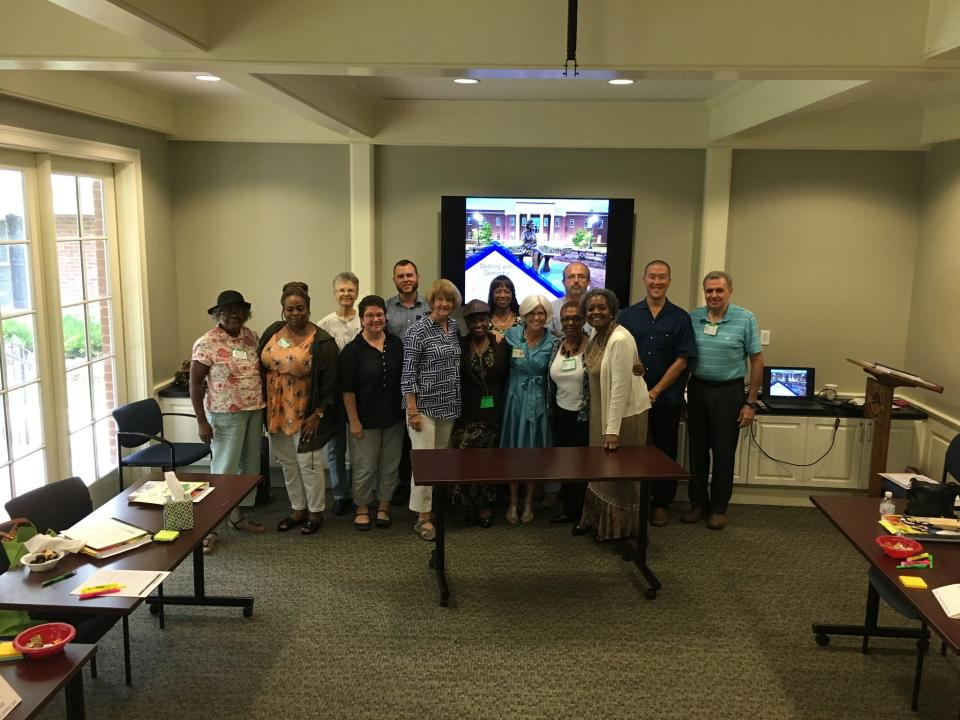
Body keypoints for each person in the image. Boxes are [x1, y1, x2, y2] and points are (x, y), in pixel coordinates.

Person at [618, 260, 697, 527]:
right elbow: (618, 355)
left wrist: (655, 391)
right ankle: (633, 501)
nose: (657, 282)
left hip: (666, 399)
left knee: (664, 452)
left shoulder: (680, 318)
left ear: (669, 281)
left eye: (662, 277)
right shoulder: (627, 316)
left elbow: (683, 359)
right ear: (644, 279)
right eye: (652, 276)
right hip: (631, 399)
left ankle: (661, 504)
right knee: (633, 451)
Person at [258, 282, 340, 535]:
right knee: (288, 464)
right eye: (290, 309)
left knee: (309, 463)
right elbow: (259, 365)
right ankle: (297, 509)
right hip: (276, 411)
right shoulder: (273, 331)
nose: (295, 313)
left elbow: (331, 382)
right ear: (283, 309)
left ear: (309, 308)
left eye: (300, 308)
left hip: (307, 412)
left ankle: (315, 513)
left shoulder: (322, 341)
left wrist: (319, 413)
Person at [684, 271, 763, 531]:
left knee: (723, 452)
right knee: (696, 452)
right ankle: (698, 504)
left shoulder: (745, 318)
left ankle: (718, 508)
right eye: (709, 290)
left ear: (730, 291)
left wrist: (750, 403)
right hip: (697, 390)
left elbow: (756, 361)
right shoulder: (693, 317)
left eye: (719, 290)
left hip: (729, 393)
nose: (714, 295)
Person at [189, 290, 266, 552]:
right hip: (225, 415)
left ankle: (237, 517)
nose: (234, 314)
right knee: (224, 471)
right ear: (218, 315)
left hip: (254, 410)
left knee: (248, 469)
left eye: (239, 310)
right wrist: (202, 421)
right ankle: (208, 529)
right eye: (227, 310)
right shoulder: (206, 342)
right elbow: (195, 384)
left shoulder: (251, 337)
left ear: (246, 313)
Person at [574, 288, 651, 540]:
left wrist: (612, 431)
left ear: (612, 310)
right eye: (591, 308)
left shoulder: (619, 338)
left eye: (601, 307)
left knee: (620, 476)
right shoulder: (597, 334)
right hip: (601, 411)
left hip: (622, 417)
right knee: (602, 472)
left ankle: (624, 532)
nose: (596, 312)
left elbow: (619, 388)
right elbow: (632, 366)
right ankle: (600, 523)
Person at [402, 279, 463, 541]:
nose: (444, 304)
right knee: (424, 465)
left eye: (449, 300)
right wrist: (412, 409)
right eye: (440, 299)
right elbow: (407, 373)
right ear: (431, 301)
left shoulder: (454, 327)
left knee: (440, 463)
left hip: (448, 406)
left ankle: (434, 507)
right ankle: (422, 517)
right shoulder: (417, 330)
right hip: (423, 408)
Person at [340, 295, 405, 532]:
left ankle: (384, 506)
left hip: (394, 418)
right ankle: (362, 507)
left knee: (390, 465)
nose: (375, 320)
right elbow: (347, 390)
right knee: (364, 466)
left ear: (385, 317)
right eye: (370, 316)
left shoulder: (397, 344)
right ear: (361, 319)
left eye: (379, 315)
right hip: (364, 421)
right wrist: (354, 421)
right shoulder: (352, 351)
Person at [448, 299, 510, 528]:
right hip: (465, 411)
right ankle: (468, 505)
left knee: (486, 461)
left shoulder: (501, 343)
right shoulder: (460, 345)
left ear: (489, 320)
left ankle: (484, 506)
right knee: (465, 457)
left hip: (492, 412)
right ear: (467, 322)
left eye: (482, 319)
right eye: (473, 320)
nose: (478, 324)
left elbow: (506, 375)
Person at [500, 294, 553, 524]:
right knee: (513, 448)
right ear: (524, 314)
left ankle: (529, 502)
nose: (536, 317)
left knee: (533, 450)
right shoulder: (511, 334)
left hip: (538, 400)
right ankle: (513, 501)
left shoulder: (554, 341)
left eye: (541, 313)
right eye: (532, 312)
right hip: (514, 398)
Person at [317, 271, 361, 516]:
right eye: (341, 290)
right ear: (335, 294)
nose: (346, 294)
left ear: (357, 292)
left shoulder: (363, 321)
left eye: (350, 290)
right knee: (335, 449)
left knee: (358, 448)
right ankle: (340, 494)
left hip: (358, 395)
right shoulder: (325, 324)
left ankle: (358, 494)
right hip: (333, 396)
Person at [386, 259, 428, 507]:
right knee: (399, 436)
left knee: (420, 433)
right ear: (394, 280)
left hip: (424, 383)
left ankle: (421, 482)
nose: (405, 279)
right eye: (400, 276)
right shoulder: (386, 307)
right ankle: (402, 484)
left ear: (417, 277)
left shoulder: (431, 306)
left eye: (409, 275)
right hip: (393, 380)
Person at [547, 300, 590, 524]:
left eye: (575, 318)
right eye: (566, 319)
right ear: (560, 321)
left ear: (584, 320)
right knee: (565, 463)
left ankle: (583, 513)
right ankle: (569, 509)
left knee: (583, 466)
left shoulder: (593, 345)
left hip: (585, 416)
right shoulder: (557, 345)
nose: (570, 322)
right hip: (560, 413)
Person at [548, 261, 593, 336]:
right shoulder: (551, 308)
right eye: (571, 277)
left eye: (581, 276)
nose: (576, 280)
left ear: (588, 281)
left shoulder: (598, 310)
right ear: (563, 282)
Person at [487, 275, 522, 340]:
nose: (502, 295)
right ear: (491, 295)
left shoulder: (522, 317)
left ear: (512, 295)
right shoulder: (485, 319)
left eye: (507, 292)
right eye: (498, 291)